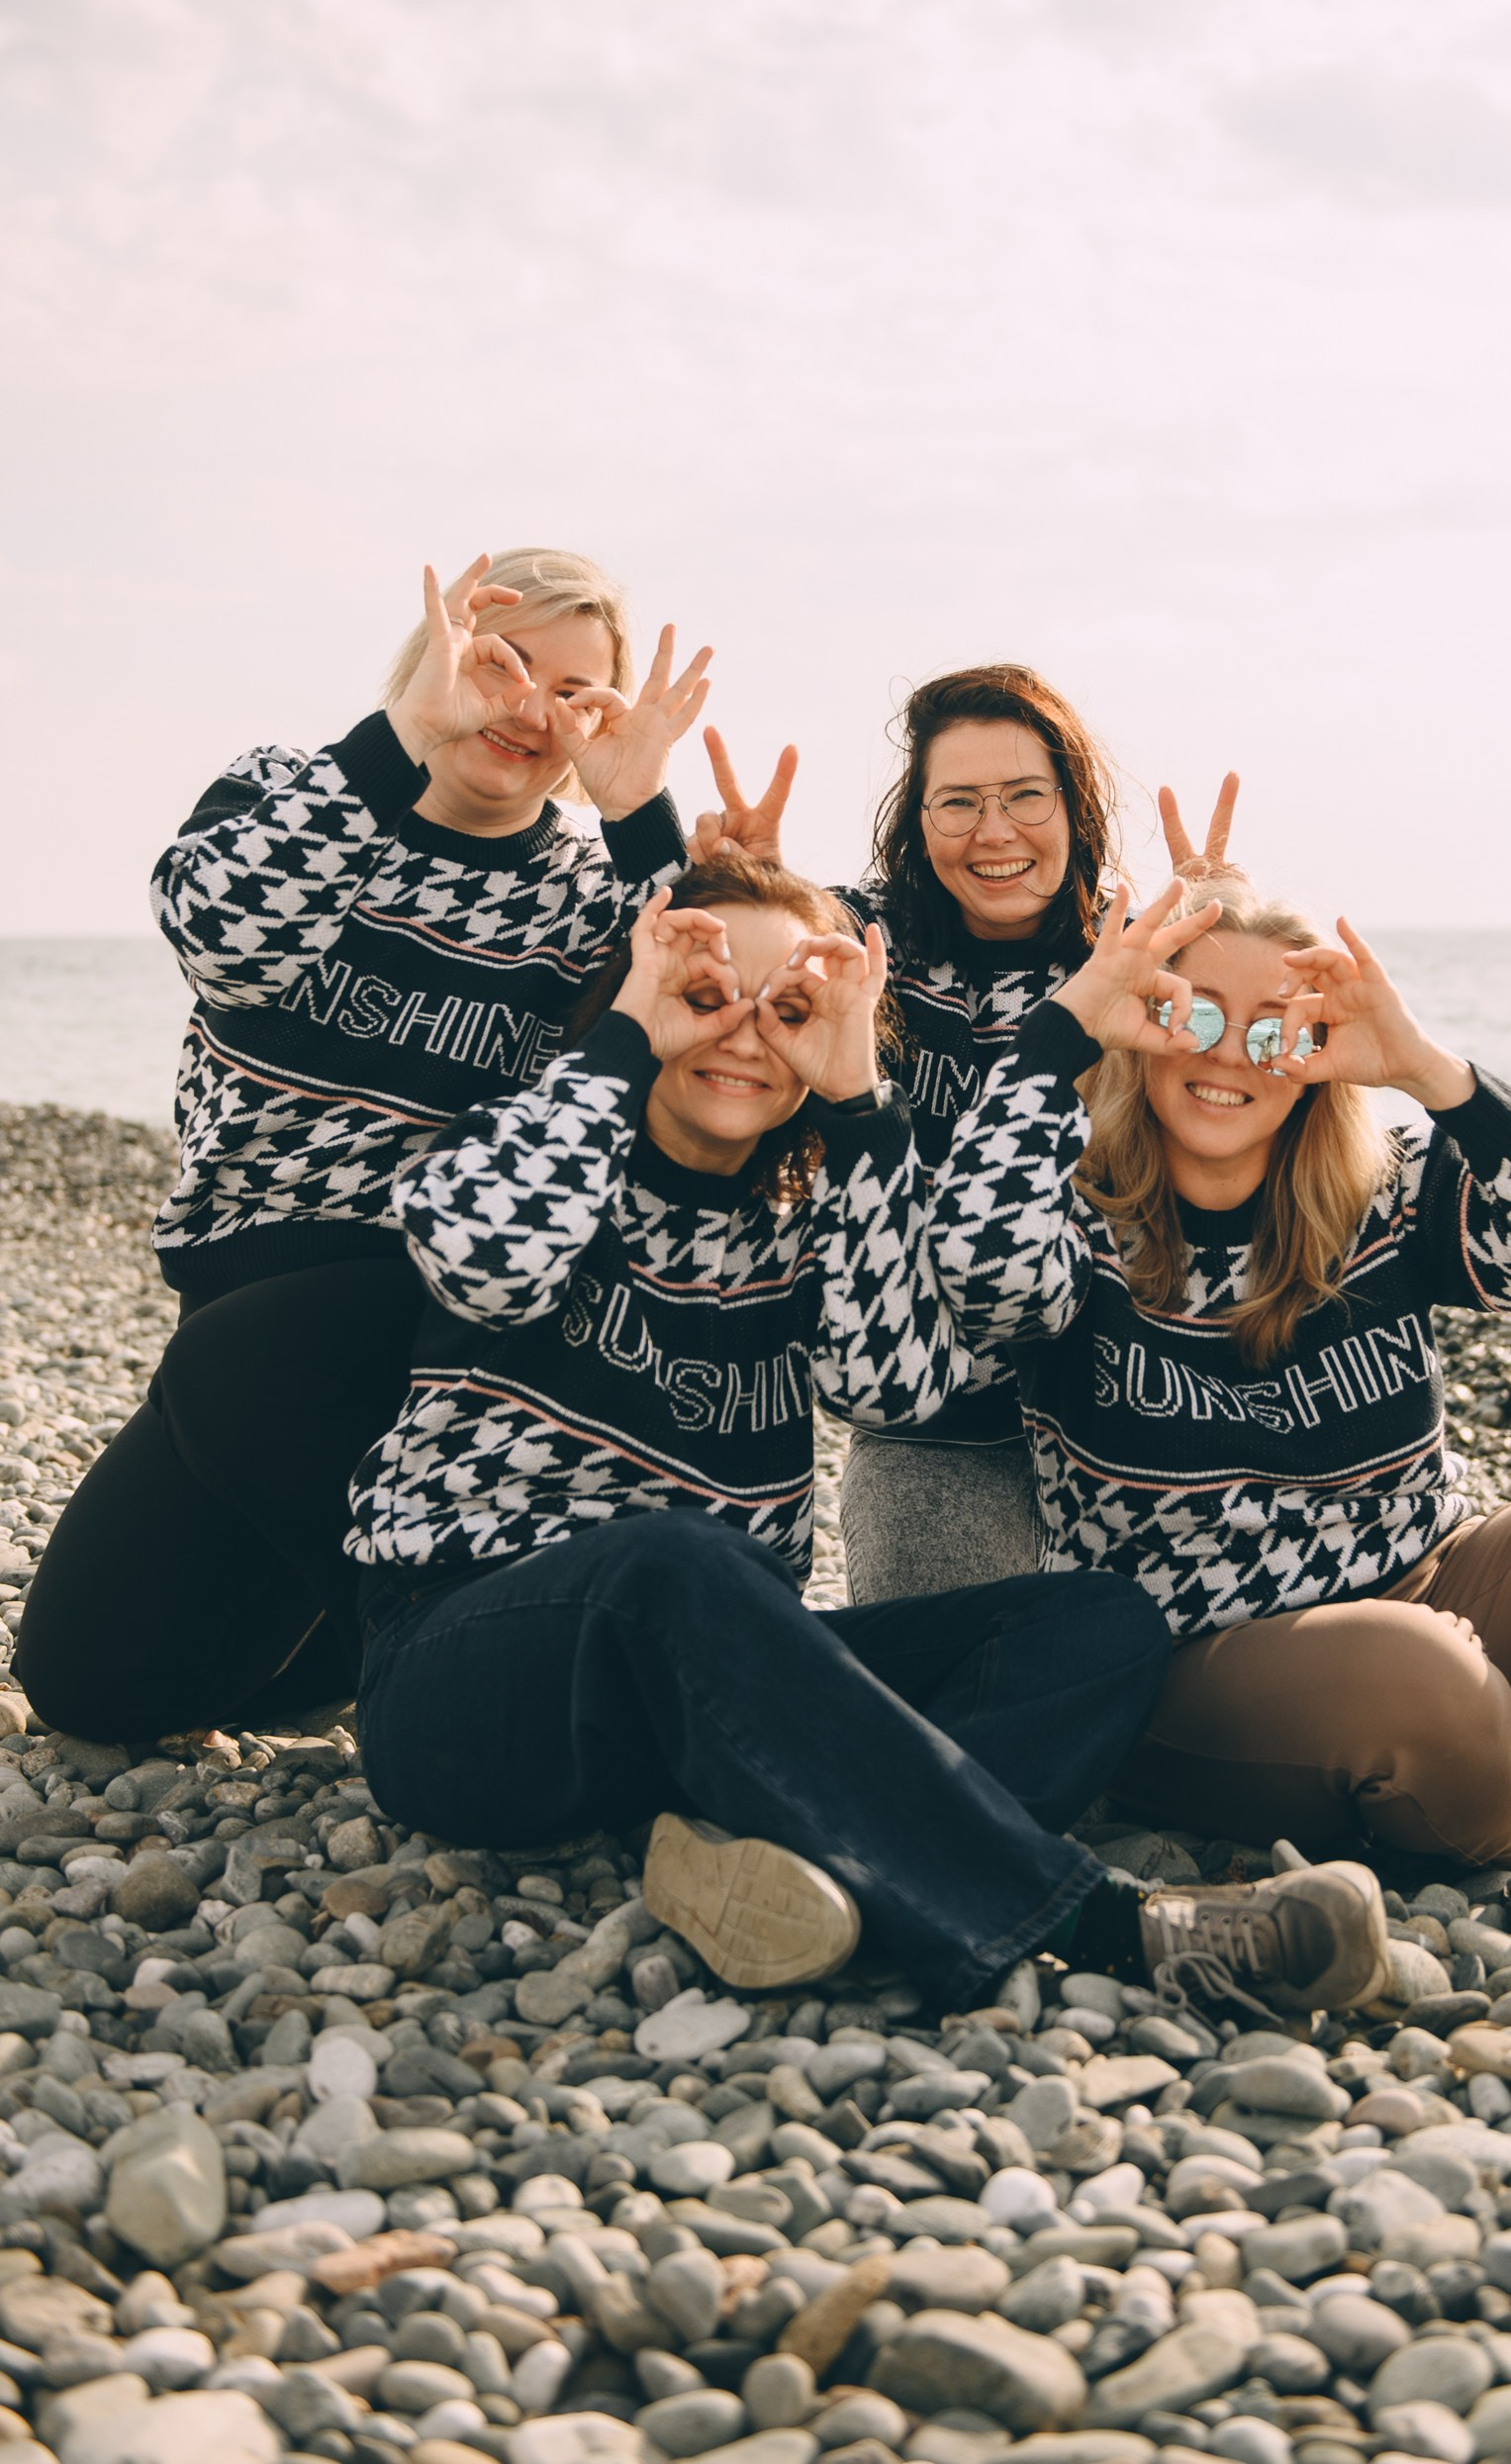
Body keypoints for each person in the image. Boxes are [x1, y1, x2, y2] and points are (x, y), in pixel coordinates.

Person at [342, 856, 1385, 2012]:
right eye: (704, 996)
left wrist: (854, 1098)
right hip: (471, 1678)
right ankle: (1096, 1925)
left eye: (786, 1009)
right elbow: (486, 1264)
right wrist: (629, 1033)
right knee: (676, 1557)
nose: (743, 1034)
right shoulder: (541, 1146)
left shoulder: (807, 1218)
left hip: (715, 1699)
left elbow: (896, 1389)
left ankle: (791, 1868)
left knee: (1098, 1621)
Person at [926, 873, 1511, 2002]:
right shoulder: (1071, 1217)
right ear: (1144, 1025)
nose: (1228, 1056)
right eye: (1195, 1014)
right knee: (1415, 1673)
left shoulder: (1383, 1196)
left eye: (1274, 1029)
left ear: (1316, 1050)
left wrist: (1430, 1073)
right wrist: (1057, 1038)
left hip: (1436, 1593)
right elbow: (973, 1276)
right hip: (1198, 1667)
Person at [15, 552, 707, 1745]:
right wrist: (397, 739)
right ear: (436, 656)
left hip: (445, 1317)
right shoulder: (299, 790)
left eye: (577, 692)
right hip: (238, 1317)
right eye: (502, 661)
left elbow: (707, 1039)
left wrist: (643, 812)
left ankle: (476, 1699)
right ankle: (422, 1637)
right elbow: (220, 937)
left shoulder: (592, 895)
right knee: (92, 1685)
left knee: (260, 1351)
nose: (530, 709)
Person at [687, 668, 1193, 1602]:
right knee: (952, 1661)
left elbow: (1255, 1093)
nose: (994, 833)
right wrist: (732, 894)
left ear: (1076, 808)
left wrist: (1227, 942)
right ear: (916, 819)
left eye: (1025, 797)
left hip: (1119, 1395)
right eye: (957, 802)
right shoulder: (860, 943)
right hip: (934, 1416)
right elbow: (679, 1011)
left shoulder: (1134, 959)